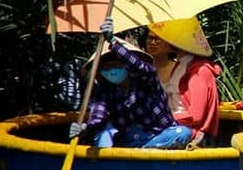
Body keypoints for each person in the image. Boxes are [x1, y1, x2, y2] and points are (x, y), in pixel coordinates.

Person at [68, 17, 192, 149]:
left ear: (126, 66)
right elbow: (99, 117)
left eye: (116, 65)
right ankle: (124, 157)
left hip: (157, 136)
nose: (112, 71)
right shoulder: (104, 91)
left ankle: (146, 151)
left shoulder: (146, 80)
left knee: (183, 133)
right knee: (105, 132)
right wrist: (84, 128)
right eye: (106, 68)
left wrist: (113, 41)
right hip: (128, 140)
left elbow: (142, 67)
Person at [147, 17, 221, 148]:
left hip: (190, 132)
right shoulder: (181, 65)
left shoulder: (200, 70)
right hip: (171, 124)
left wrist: (162, 118)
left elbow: (196, 116)